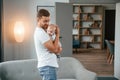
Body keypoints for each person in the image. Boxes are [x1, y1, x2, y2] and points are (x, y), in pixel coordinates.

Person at [34, 9, 61, 80]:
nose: (47, 23)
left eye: (48, 21)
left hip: (49, 66)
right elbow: (55, 50)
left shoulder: (45, 32)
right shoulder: (41, 33)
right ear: (38, 19)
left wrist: (57, 49)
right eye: (45, 21)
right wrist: (58, 34)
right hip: (47, 66)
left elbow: (59, 49)